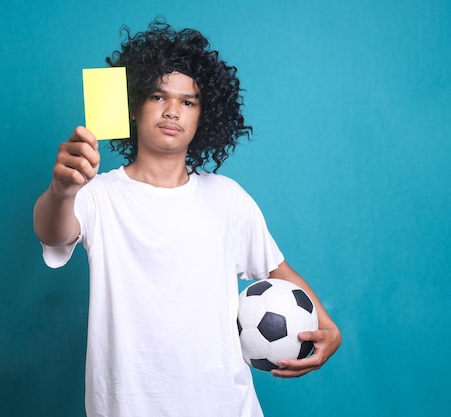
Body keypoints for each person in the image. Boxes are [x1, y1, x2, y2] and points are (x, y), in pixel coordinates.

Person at [33, 19, 341, 417]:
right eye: (158, 97)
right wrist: (62, 190)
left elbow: (277, 269)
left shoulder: (227, 198)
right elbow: (53, 233)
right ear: (134, 105)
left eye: (188, 101)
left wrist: (327, 324)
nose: (173, 111)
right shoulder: (99, 195)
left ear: (203, 116)